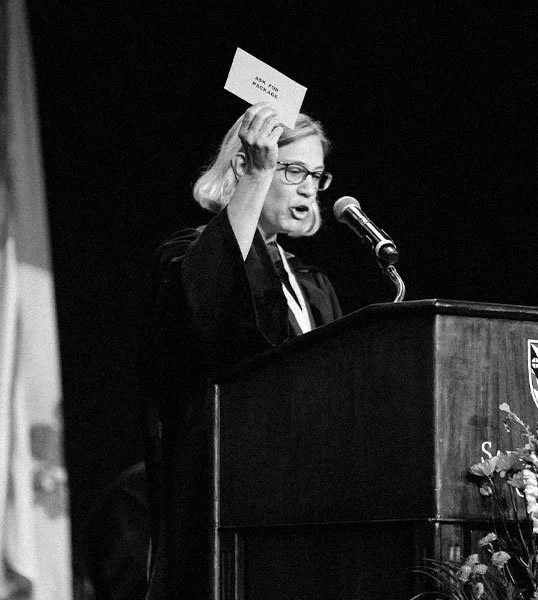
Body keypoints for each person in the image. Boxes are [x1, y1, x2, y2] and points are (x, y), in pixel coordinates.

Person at [142, 102, 342, 599]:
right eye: (292, 169)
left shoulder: (313, 282)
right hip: (226, 502)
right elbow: (209, 317)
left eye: (315, 175)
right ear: (243, 164)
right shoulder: (185, 255)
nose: (307, 188)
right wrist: (255, 178)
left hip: (309, 502)